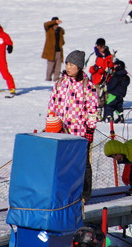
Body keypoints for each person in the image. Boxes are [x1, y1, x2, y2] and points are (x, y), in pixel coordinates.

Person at [47, 50, 98, 201]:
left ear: (80, 67)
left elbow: (93, 109)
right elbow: (52, 105)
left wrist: (90, 129)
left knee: (81, 165)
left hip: (79, 133)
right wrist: (51, 123)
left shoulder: (87, 86)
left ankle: (84, 194)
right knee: (63, 164)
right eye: (67, 64)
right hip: (61, 132)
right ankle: (65, 193)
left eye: (72, 64)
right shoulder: (60, 83)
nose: (69, 67)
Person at [42, 17, 64, 81]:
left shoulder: (60, 30)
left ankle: (56, 80)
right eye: (55, 23)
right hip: (50, 52)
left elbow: (62, 40)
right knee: (50, 67)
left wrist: (61, 43)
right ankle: (48, 79)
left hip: (59, 51)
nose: (56, 25)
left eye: (57, 23)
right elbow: (45, 24)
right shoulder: (48, 29)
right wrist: (54, 21)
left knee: (58, 67)